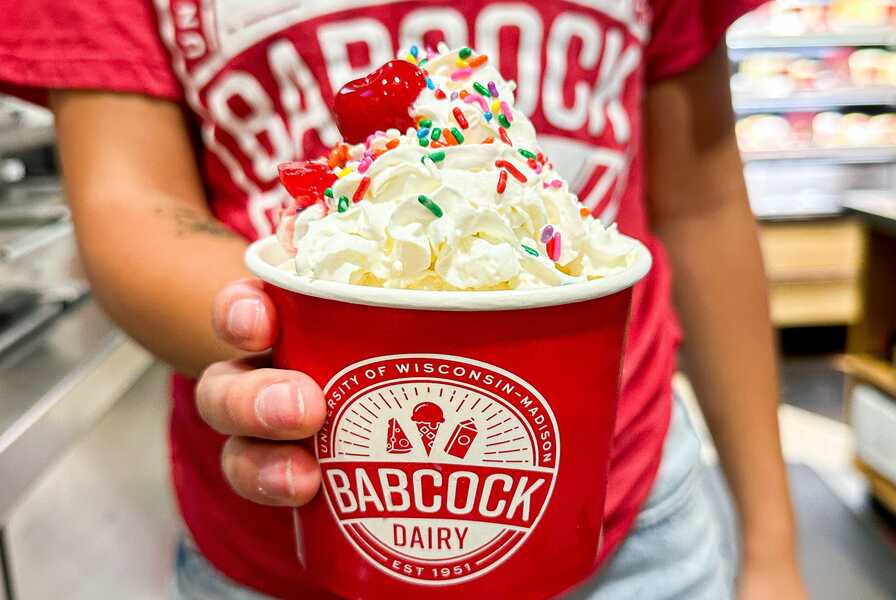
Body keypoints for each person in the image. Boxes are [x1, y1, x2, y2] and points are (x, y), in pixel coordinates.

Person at [1, 1, 808, 598]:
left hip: (628, 535)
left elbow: (701, 202)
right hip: (290, 537)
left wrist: (773, 550)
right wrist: (278, 326)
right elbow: (126, 202)